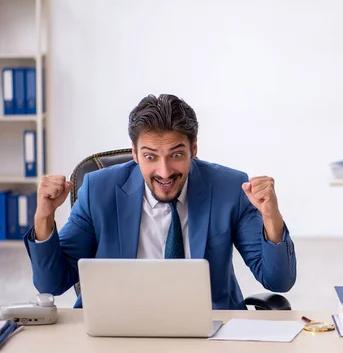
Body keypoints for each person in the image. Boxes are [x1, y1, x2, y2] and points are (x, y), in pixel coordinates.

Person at [24, 94, 297, 310]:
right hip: (119, 327)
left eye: (176, 155)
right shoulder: (99, 190)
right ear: (134, 153)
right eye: (151, 157)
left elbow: (278, 281)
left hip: (210, 329)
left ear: (194, 149)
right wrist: (44, 217)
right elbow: (52, 283)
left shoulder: (229, 188)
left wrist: (271, 216)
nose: (164, 172)